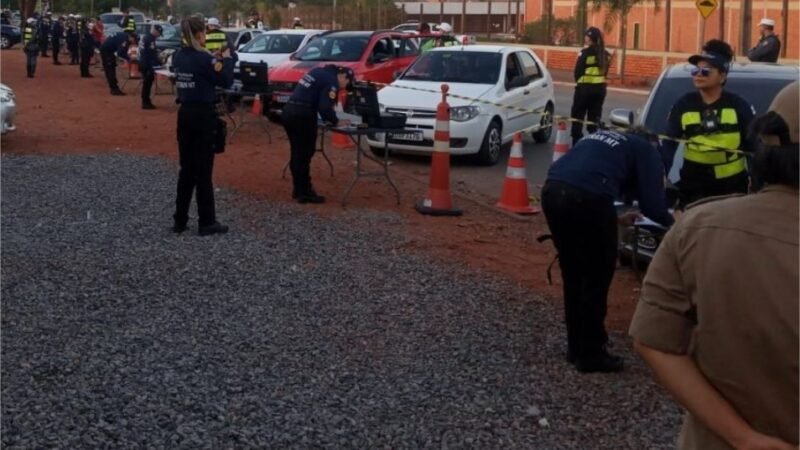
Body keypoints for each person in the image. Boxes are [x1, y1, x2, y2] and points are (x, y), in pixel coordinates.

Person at [629, 81, 799, 450]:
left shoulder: (697, 228)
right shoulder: (685, 106)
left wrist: (743, 438)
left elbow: (653, 340)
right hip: (697, 188)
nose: (698, 73)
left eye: (706, 67)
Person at [541, 128, 674, 373]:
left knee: (573, 273)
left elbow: (584, 177)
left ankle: (576, 347)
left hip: (552, 191)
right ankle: (592, 354)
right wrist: (680, 225)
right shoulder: (647, 150)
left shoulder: (602, 138)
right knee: (596, 276)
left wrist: (614, 218)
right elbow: (654, 207)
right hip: (588, 197)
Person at [663, 39, 756, 209]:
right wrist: (661, 176)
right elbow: (669, 144)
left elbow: (753, 147)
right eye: (695, 70)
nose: (699, 74)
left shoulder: (738, 106)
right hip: (693, 186)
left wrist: (757, 184)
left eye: (706, 71)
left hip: (731, 188)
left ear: (722, 76)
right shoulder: (683, 105)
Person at [172, 16, 236, 236]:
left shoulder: (179, 56)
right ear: (200, 34)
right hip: (202, 115)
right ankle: (207, 221)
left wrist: (213, 59)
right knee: (204, 171)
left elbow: (201, 72)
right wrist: (227, 59)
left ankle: (180, 220)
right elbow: (225, 80)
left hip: (185, 115)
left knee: (187, 170)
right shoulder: (203, 59)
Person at [282, 64, 353, 204]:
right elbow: (325, 107)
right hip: (303, 116)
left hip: (289, 112)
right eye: (346, 84)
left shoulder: (318, 71)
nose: (343, 88)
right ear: (344, 76)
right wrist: (335, 121)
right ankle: (304, 192)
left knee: (297, 153)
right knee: (304, 154)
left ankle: (299, 190)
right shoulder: (331, 81)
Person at [570, 26, 611, 146]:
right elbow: (605, 72)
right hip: (599, 90)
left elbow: (577, 72)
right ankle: (592, 143)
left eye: (586, 36)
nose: (585, 38)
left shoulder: (584, 53)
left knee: (578, 116)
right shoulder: (605, 54)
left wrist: (580, 81)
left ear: (590, 38)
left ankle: (576, 142)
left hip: (584, 90)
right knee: (594, 119)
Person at [99, 30, 135, 95]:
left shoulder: (123, 35)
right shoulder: (125, 39)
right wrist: (129, 58)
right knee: (110, 69)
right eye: (134, 41)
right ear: (131, 38)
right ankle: (114, 89)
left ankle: (114, 86)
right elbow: (120, 53)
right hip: (107, 51)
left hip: (108, 50)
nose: (132, 43)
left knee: (111, 67)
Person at [139, 24, 162, 110]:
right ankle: (145, 102)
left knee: (146, 83)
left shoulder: (146, 37)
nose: (159, 35)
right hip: (147, 64)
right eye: (159, 33)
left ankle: (146, 101)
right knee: (147, 84)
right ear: (156, 31)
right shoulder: (150, 39)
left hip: (144, 62)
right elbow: (152, 54)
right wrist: (159, 62)